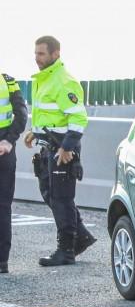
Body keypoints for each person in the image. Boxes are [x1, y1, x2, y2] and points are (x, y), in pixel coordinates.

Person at [22, 36, 95, 266]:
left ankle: (66, 251)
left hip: (63, 147)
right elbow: (50, 114)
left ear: (55, 54)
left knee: (62, 198)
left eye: (41, 54)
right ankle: (80, 236)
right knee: (49, 193)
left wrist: (67, 147)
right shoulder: (43, 79)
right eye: (35, 53)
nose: (37, 58)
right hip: (49, 144)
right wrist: (36, 132)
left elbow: (78, 118)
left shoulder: (64, 81)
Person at [1, 71, 29, 274]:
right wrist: (9, 140)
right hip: (4, 146)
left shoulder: (8, 81)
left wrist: (8, 140)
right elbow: (21, 113)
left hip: (4, 147)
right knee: (2, 206)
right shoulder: (7, 80)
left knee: (2, 206)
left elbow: (21, 113)